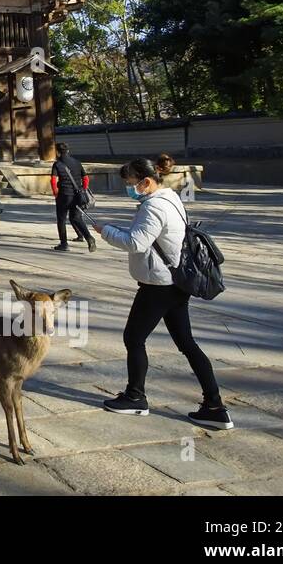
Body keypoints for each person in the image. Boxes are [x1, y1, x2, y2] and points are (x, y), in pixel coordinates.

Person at [99, 158, 232, 429]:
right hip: (175, 282)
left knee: (133, 338)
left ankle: (135, 397)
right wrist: (120, 229)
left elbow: (136, 243)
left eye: (131, 183)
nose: (130, 188)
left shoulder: (153, 206)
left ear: (146, 182)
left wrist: (106, 231)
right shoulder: (170, 198)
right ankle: (215, 406)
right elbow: (150, 237)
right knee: (186, 343)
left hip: (159, 284)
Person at [51, 142, 95, 253]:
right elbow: (86, 179)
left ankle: (64, 244)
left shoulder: (57, 164)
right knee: (76, 218)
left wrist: (56, 193)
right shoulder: (77, 162)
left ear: (57, 151)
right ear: (68, 151)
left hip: (63, 195)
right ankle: (89, 238)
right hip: (77, 195)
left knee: (61, 219)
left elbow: (53, 180)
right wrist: (83, 190)